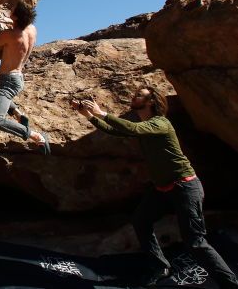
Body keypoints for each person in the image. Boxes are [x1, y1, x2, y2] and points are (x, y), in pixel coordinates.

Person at [75, 88, 238, 287]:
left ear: (151, 101)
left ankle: (230, 283)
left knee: (196, 243)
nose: (133, 96)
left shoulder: (161, 123)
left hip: (185, 187)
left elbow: (132, 129)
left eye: (139, 94)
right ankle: (160, 266)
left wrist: (101, 112)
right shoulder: (145, 126)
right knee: (141, 221)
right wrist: (89, 116)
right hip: (162, 189)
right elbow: (117, 130)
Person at [0, 0, 50, 155]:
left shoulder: (11, 35)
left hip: (8, 81)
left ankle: (37, 136)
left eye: (11, 10)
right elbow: (21, 29)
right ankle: (18, 115)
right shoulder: (32, 30)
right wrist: (10, 22)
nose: (9, 10)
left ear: (16, 17)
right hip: (18, 78)